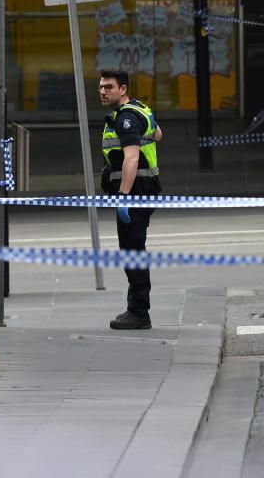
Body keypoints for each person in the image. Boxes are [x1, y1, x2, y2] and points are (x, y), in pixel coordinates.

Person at [98, 67, 163, 330]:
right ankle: (137, 309)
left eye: (109, 87)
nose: (103, 91)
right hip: (145, 189)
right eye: (101, 87)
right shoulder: (139, 108)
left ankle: (138, 313)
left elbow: (132, 157)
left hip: (136, 192)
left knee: (133, 250)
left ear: (123, 89)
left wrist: (123, 196)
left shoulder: (126, 117)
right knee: (133, 248)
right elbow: (158, 134)